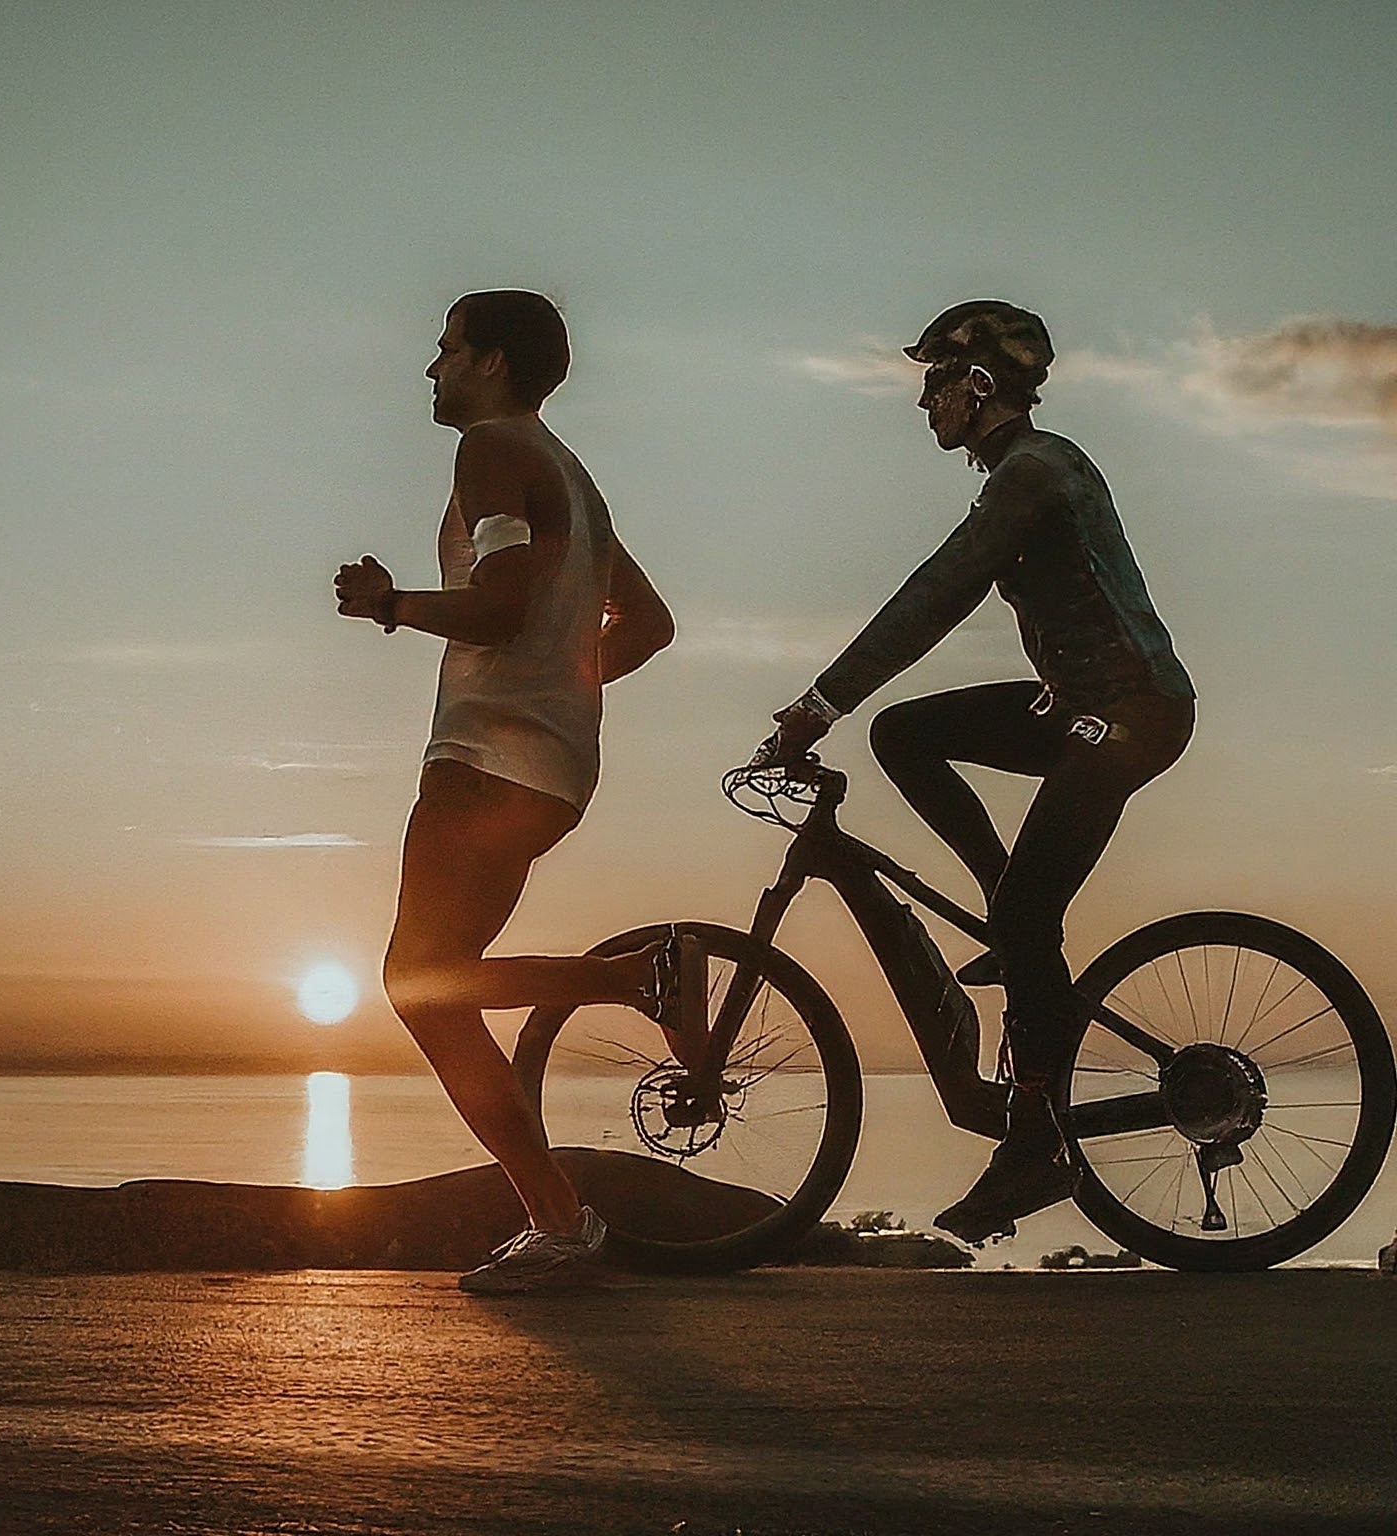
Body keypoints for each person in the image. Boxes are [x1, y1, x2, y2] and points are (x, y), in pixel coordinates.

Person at [759, 300, 1195, 1244]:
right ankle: (1005, 903)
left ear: (979, 386)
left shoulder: (1032, 475)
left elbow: (940, 591)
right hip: (1077, 706)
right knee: (907, 735)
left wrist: (821, 701)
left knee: (1032, 917)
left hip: (1130, 716)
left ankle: (1035, 1143)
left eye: (934, 383)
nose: (925, 404)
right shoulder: (1022, 470)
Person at [335, 291, 676, 1292]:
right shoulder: (573, 478)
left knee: (417, 983)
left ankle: (636, 980)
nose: (431, 369)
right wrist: (560, 691)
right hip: (557, 767)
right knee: (436, 989)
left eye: (445, 350)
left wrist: (392, 605)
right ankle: (558, 1221)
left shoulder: (491, 450)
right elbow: (646, 625)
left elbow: (498, 607)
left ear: (490, 363)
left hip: (484, 761)